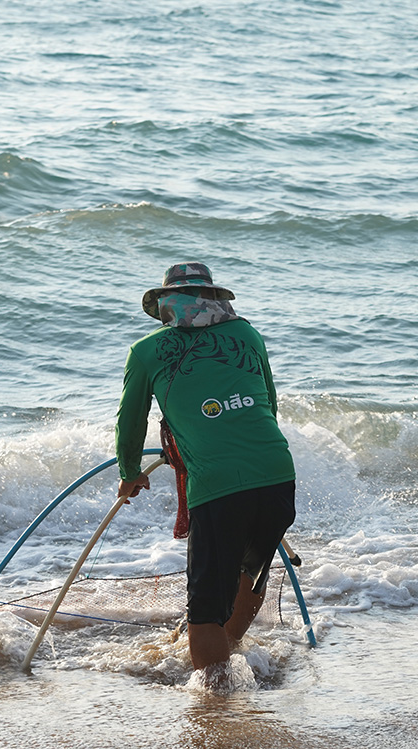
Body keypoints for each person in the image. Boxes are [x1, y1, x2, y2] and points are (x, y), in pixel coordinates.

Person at [115, 262, 296, 676]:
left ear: (164, 305)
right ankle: (229, 657)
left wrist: (130, 471)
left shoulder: (145, 351)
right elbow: (268, 401)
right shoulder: (247, 334)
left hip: (217, 487)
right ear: (213, 298)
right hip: (276, 474)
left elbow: (130, 421)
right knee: (250, 571)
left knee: (203, 613)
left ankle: (216, 705)